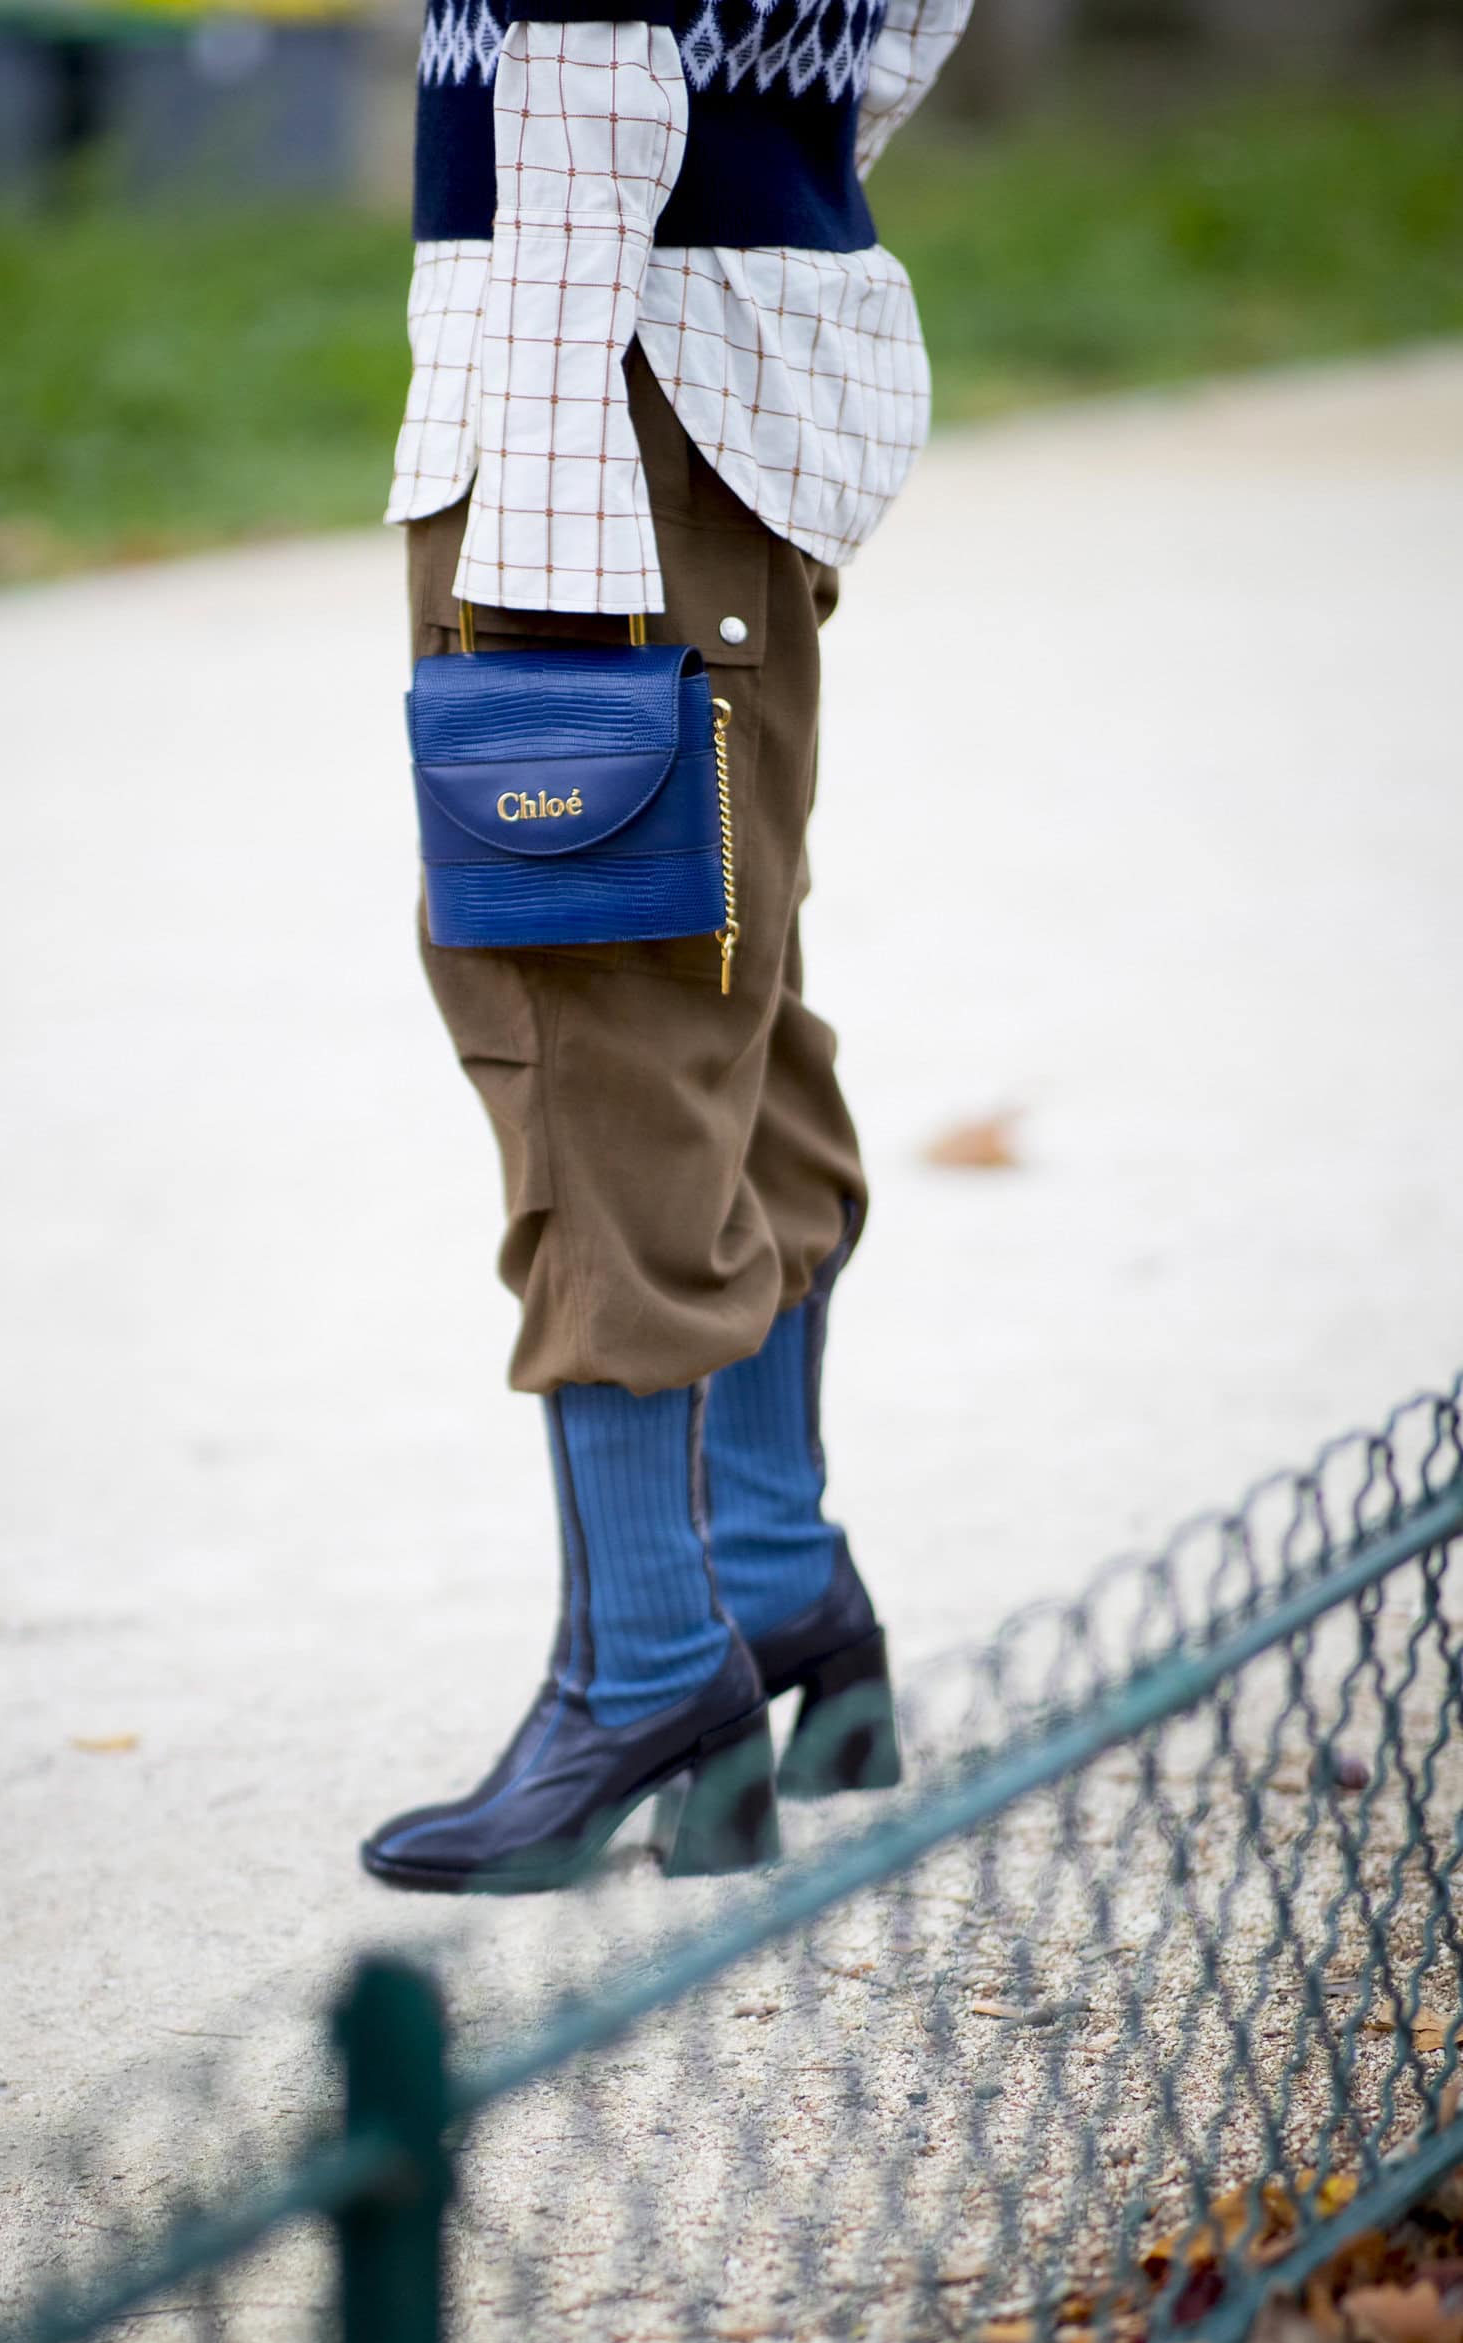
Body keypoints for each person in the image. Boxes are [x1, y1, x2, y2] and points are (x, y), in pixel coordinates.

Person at [361, 0, 972, 1891]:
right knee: (724, 989)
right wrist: (764, 192)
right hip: (726, 344)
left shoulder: (575, 405)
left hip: (589, 381)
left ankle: (648, 1668)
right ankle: (780, 1588)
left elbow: (582, 44)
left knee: (597, 1017)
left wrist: (548, 494)